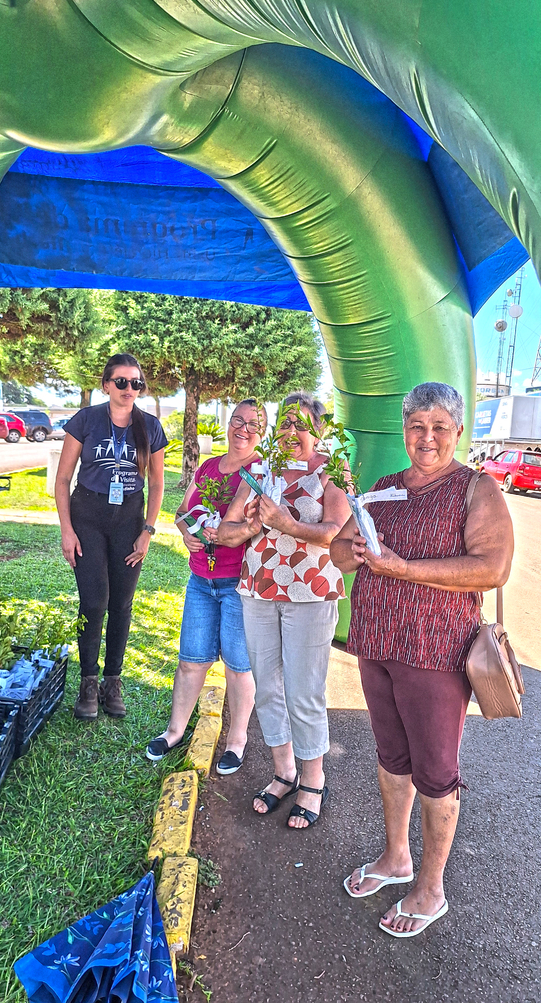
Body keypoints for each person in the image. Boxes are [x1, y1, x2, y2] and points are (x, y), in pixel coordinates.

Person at [330, 382, 514, 938]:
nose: (427, 437)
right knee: (391, 757)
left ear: (458, 431)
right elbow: (339, 551)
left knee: (436, 773)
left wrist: (407, 569)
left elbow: (492, 568)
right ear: (404, 431)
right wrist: (354, 551)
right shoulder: (385, 487)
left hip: (436, 654)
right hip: (378, 645)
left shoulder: (475, 490)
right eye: (417, 426)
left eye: (439, 427)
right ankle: (396, 859)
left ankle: (430, 889)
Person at [219, 391, 350, 829]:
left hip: (310, 594)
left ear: (319, 430)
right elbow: (228, 529)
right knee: (268, 686)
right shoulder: (259, 470)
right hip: (257, 590)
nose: (292, 432)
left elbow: (336, 532)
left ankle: (314, 781)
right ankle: (284, 772)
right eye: (286, 423)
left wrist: (286, 524)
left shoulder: (333, 470)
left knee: (304, 689)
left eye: (302, 424)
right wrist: (254, 522)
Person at [145, 400, 266, 772]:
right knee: (191, 660)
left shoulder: (259, 470)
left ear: (262, 432)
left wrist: (225, 533)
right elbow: (183, 511)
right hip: (200, 578)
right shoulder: (209, 467)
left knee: (237, 666)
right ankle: (175, 730)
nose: (242, 430)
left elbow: (247, 526)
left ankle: (237, 740)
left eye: (252, 425)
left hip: (237, 582)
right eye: (237, 421)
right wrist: (186, 532)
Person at [55, 353, 167, 720]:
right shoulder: (86, 420)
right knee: (94, 601)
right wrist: (67, 530)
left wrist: (147, 531)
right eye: (121, 382)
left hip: (129, 521)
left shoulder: (149, 426)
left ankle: (111, 681)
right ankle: (88, 682)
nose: (128, 389)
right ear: (106, 384)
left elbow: (157, 482)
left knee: (121, 603)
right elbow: (62, 480)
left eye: (136, 383)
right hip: (87, 516)